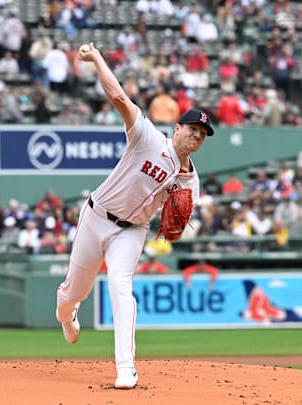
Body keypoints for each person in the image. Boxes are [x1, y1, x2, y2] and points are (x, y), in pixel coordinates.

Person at [55, 42, 214, 390]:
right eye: (192, 129)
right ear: (177, 128)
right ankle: (67, 315)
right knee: (72, 292)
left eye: (202, 135)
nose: (196, 137)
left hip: (132, 231)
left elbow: (177, 225)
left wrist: (175, 227)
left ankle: (125, 367)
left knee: (120, 287)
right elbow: (119, 98)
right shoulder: (146, 138)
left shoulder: (191, 181)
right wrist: (96, 58)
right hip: (96, 217)